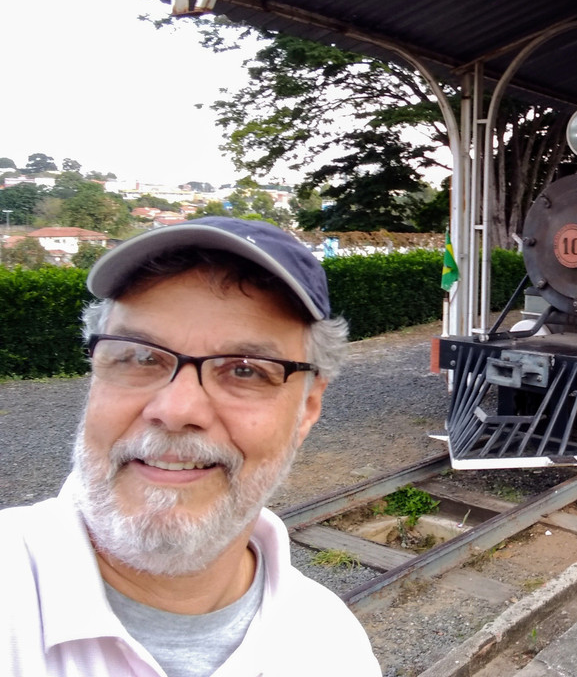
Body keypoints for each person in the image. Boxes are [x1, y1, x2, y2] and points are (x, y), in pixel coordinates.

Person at [1, 217, 381, 676]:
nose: (177, 409)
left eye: (245, 370)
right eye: (140, 357)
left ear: (307, 409)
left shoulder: (333, 648)